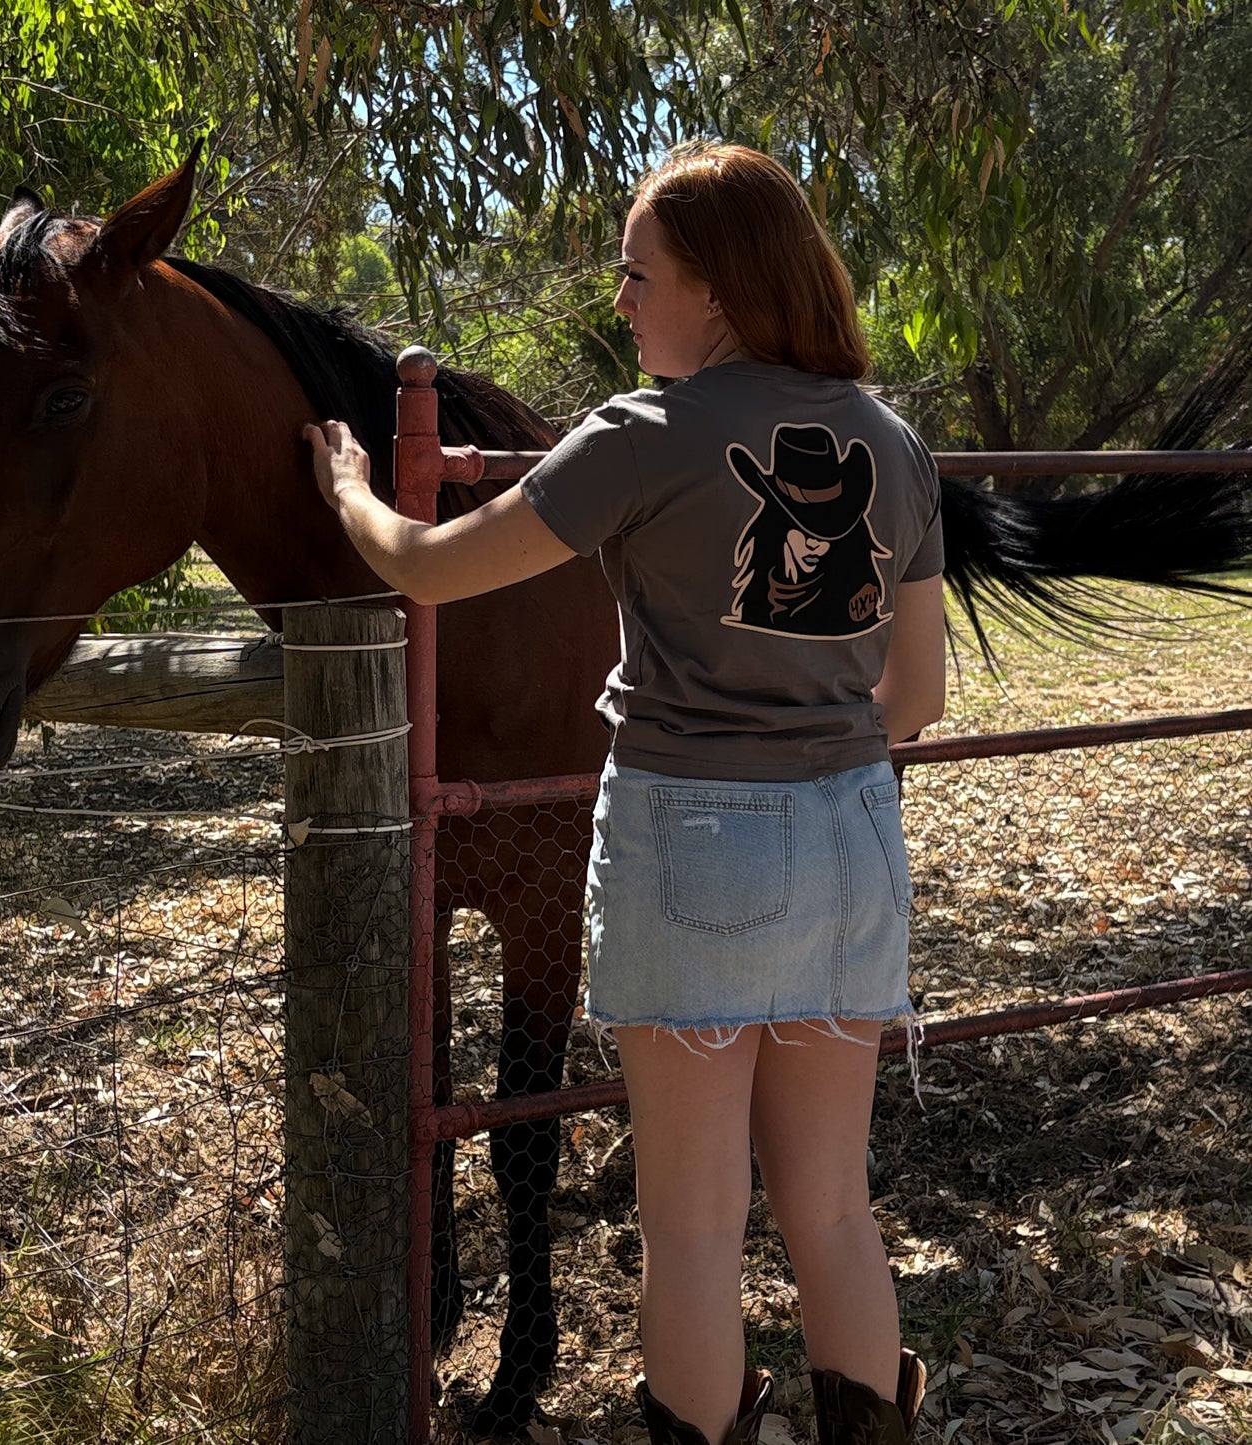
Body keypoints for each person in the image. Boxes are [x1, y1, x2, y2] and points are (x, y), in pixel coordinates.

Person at [304, 142, 945, 1445]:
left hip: (690, 838)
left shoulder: (643, 435)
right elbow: (917, 696)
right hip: (849, 837)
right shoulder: (889, 441)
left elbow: (429, 570)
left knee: (696, 1221)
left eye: (635, 273)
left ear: (714, 286)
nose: (620, 300)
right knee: (829, 1204)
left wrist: (347, 487)